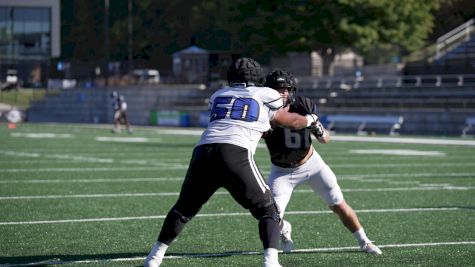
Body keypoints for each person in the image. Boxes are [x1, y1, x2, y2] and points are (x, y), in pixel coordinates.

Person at [144, 58, 320, 267]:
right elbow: (288, 120)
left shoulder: (218, 95)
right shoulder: (267, 94)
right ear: (257, 77)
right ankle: (271, 262)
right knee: (269, 211)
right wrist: (311, 120)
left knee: (183, 209)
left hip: (203, 151)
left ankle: (153, 259)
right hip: (235, 153)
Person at [262, 69, 382, 255]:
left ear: (292, 90)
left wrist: (318, 129)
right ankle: (285, 228)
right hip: (282, 171)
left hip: (311, 164)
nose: (282, 93)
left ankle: (364, 241)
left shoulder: (303, 104)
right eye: (277, 88)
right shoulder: (263, 110)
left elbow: (325, 138)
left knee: (338, 203)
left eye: (286, 88)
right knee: (272, 216)